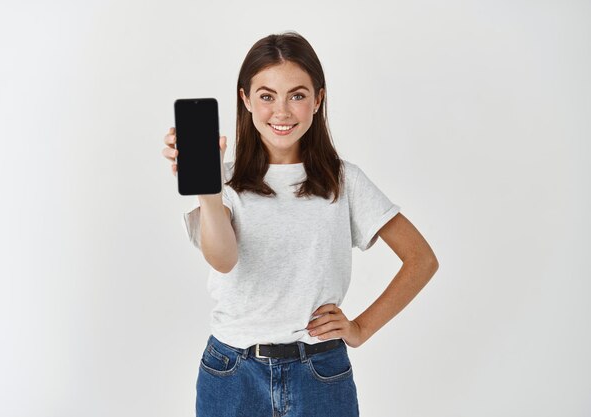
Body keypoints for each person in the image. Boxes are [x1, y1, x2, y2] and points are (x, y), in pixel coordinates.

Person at [162, 31, 439, 417]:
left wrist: (360, 329)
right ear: (245, 99)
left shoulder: (344, 181)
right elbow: (223, 259)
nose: (282, 111)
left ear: (318, 99)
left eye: (297, 95)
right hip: (232, 375)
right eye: (266, 96)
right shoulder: (223, 184)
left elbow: (421, 259)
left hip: (320, 373)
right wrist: (208, 192)